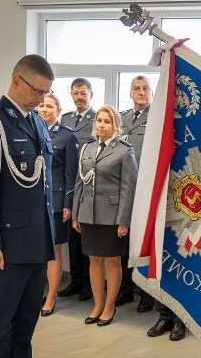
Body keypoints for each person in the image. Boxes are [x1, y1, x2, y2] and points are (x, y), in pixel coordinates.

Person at [0, 54, 56, 357]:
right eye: (36, 91)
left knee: (26, 324)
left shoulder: (38, 123)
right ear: (17, 81)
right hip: (6, 245)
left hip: (37, 242)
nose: (41, 99)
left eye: (46, 93)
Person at [72, 105, 137, 327]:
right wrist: (76, 214)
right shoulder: (87, 148)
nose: (101, 125)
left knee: (112, 261)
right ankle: (98, 305)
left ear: (115, 126)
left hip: (112, 217)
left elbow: (129, 189)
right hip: (88, 214)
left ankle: (110, 307)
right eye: (99, 120)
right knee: (94, 260)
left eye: (107, 121)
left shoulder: (124, 150)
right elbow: (80, 181)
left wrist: (124, 221)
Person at [38, 93, 79, 317]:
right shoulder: (31, 129)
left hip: (56, 201)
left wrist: (68, 203)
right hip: (33, 200)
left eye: (49, 106)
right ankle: (37, 292)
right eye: (41, 106)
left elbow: (71, 173)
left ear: (59, 110)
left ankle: (51, 296)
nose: (44, 110)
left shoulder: (66, 136)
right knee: (35, 248)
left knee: (53, 249)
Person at [117, 75, 155, 311]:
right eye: (136, 89)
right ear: (130, 93)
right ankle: (125, 290)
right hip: (121, 189)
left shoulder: (156, 118)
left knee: (142, 242)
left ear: (151, 93)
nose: (141, 93)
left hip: (144, 189)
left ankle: (146, 294)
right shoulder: (121, 118)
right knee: (121, 241)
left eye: (145, 89)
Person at [59, 78, 95, 301]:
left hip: (89, 186)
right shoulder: (65, 119)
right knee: (72, 238)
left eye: (83, 93)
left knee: (87, 238)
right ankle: (75, 280)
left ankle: (89, 285)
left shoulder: (98, 119)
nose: (79, 96)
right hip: (68, 185)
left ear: (91, 94)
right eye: (75, 93)